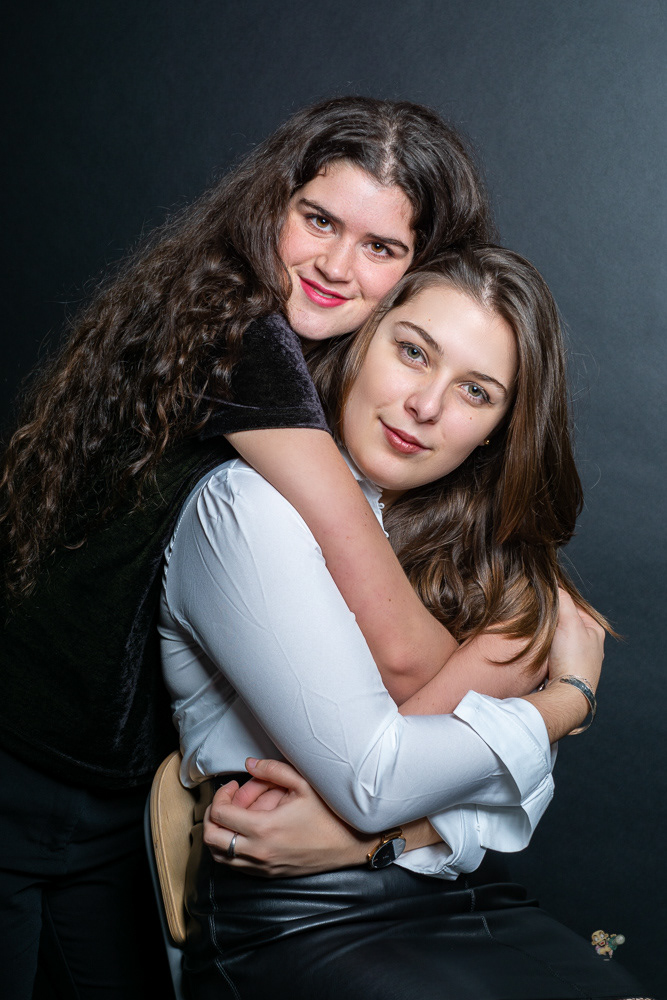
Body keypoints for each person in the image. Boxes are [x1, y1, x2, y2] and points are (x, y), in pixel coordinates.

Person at [0, 95, 520, 1000]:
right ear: (270, 204)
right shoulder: (239, 334)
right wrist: (549, 689)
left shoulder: (318, 363)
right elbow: (400, 654)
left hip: (114, 796)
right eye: (318, 220)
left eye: (380, 247)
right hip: (18, 766)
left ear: (420, 270)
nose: (334, 265)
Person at [160, 247, 646, 999]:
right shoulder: (245, 507)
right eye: (413, 352)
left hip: (457, 897)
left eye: (475, 392)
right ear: (364, 338)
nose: (426, 406)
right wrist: (566, 699)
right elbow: (382, 782)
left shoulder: (476, 561)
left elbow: (486, 796)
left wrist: (387, 840)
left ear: (497, 430)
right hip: (294, 917)